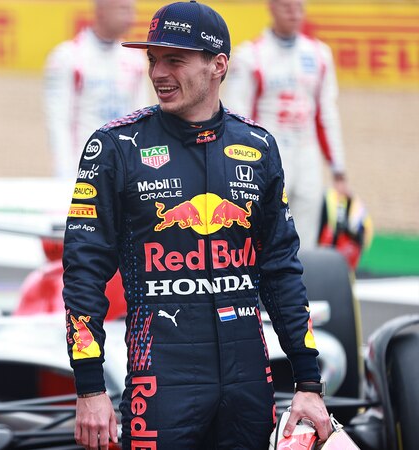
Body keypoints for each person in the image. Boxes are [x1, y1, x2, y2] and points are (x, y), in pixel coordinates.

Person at [62, 1, 331, 449]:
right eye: (153, 59)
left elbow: (281, 272)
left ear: (218, 65)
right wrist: (89, 388)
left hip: (248, 377)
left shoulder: (259, 146)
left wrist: (308, 382)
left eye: (175, 59)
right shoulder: (115, 147)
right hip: (161, 377)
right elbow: (83, 273)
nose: (158, 72)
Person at [222, 0, 348, 249]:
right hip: (268, 156)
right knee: (264, 233)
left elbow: (326, 114)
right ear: (271, 7)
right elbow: (237, 116)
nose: (294, 13)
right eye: (287, 6)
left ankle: (304, 285)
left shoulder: (319, 54)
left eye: (299, 6)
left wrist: (339, 170)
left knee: (306, 238)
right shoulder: (250, 54)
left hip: (307, 153)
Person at [44, 0, 150, 180]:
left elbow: (142, 120)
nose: (131, 18)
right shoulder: (67, 56)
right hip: (82, 168)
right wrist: (65, 172)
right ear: (101, 11)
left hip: (124, 171)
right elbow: (58, 120)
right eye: (123, 10)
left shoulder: (135, 59)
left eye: (132, 11)